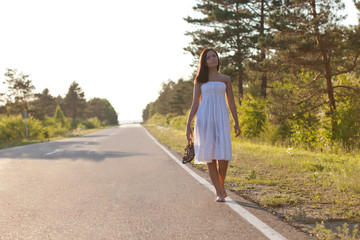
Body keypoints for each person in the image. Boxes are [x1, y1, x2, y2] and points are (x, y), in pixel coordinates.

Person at [186, 48, 241, 202]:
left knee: (223, 156)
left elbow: (231, 102)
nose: (212, 58)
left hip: (222, 118)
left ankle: (221, 185)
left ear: (218, 58)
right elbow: (195, 103)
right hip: (205, 119)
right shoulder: (200, 80)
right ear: (204, 61)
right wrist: (188, 124)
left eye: (214, 56)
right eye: (209, 57)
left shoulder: (225, 79)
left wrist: (236, 122)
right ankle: (218, 191)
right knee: (210, 156)